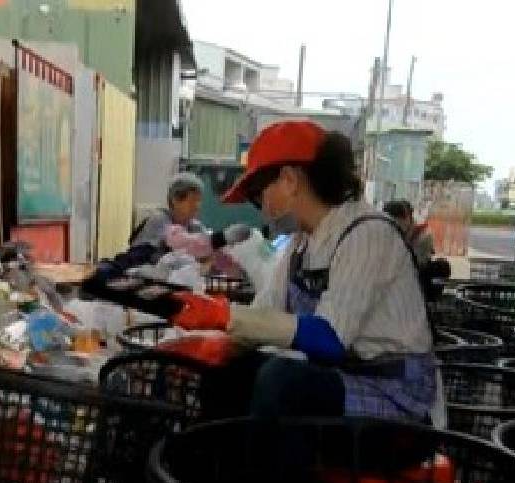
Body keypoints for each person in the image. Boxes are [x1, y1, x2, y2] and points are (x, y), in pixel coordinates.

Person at [165, 120, 437, 421]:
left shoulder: (367, 233)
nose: (262, 210)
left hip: (395, 394)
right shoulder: (301, 244)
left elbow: (330, 338)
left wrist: (226, 315)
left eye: (258, 195)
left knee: (281, 381)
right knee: (230, 373)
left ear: (289, 180)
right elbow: (265, 311)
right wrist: (212, 345)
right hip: (343, 377)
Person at [131, 172, 253, 257]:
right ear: (175, 199)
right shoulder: (159, 220)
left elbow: (209, 246)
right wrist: (223, 237)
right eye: (192, 200)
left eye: (199, 200)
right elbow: (182, 243)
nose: (197, 205)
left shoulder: (194, 226)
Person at [383, 199, 436, 267]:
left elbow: (412, 264)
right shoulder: (385, 232)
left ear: (409, 218)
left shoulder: (423, 236)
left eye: (401, 217)